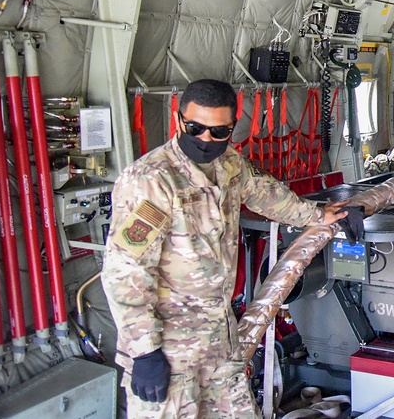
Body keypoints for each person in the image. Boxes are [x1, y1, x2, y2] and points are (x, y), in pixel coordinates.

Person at [102, 79, 352, 418]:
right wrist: (144, 351)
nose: (206, 139)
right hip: (169, 350)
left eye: (218, 132)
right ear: (180, 121)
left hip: (218, 340)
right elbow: (126, 269)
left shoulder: (229, 165)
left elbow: (267, 195)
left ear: (232, 128)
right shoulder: (151, 181)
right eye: (196, 128)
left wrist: (318, 216)